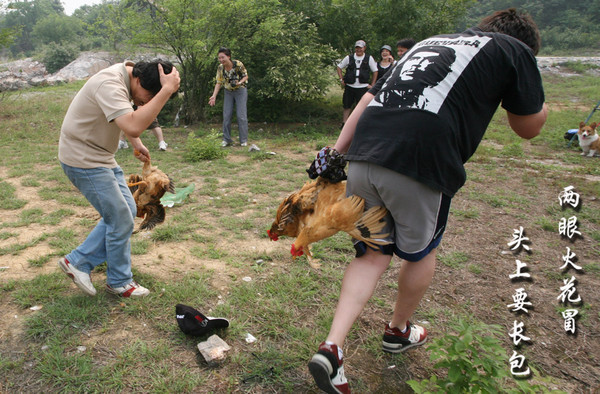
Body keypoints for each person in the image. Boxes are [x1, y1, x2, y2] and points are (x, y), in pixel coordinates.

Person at [307, 8, 548, 393]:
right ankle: (399, 331)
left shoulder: (427, 44)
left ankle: (331, 347)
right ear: (526, 45)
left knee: (371, 254)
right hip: (420, 161)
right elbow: (528, 126)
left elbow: (367, 101)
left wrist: (335, 155)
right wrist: (540, 101)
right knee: (421, 252)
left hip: (365, 153)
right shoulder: (513, 50)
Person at [57, 59, 180, 297]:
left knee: (126, 211)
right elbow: (132, 125)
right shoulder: (110, 84)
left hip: (101, 156)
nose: (146, 102)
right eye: (148, 95)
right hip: (83, 159)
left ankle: (88, 265)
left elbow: (125, 119)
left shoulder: (126, 79)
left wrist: (137, 143)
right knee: (121, 216)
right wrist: (166, 89)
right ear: (138, 80)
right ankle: (111, 277)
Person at [208, 47, 249, 147]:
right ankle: (227, 139)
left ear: (229, 56)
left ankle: (243, 140)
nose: (221, 60)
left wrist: (239, 82)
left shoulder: (238, 64)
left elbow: (246, 76)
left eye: (223, 57)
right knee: (227, 115)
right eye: (219, 58)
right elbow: (219, 82)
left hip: (240, 91)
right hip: (228, 91)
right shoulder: (220, 68)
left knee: (241, 116)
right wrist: (214, 96)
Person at [337, 40, 378, 126]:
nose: (358, 50)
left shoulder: (369, 58)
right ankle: (344, 123)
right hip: (350, 86)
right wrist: (341, 79)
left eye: (360, 48)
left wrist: (373, 84)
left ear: (364, 48)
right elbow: (339, 67)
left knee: (361, 107)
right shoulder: (349, 57)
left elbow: (375, 71)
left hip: (363, 87)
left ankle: (360, 124)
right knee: (347, 105)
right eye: (357, 48)